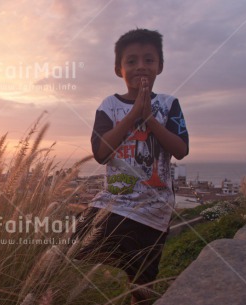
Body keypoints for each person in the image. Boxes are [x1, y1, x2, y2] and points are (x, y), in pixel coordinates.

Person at [70, 28, 189, 304]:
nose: (141, 67)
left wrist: (150, 118)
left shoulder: (169, 104)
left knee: (142, 287)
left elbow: (180, 149)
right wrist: (135, 113)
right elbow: (101, 152)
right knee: (72, 245)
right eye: (132, 61)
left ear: (160, 65)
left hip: (154, 211)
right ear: (118, 69)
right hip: (114, 203)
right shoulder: (109, 106)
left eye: (149, 59)